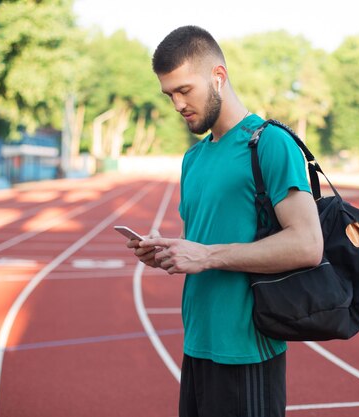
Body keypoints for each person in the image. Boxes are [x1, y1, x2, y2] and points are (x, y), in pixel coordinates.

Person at [127, 25, 323, 417]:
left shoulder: (269, 143)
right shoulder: (193, 159)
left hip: (246, 349)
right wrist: (167, 251)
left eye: (185, 90)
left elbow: (308, 245)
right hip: (197, 343)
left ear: (218, 77)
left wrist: (209, 257)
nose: (178, 104)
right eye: (169, 95)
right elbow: (202, 243)